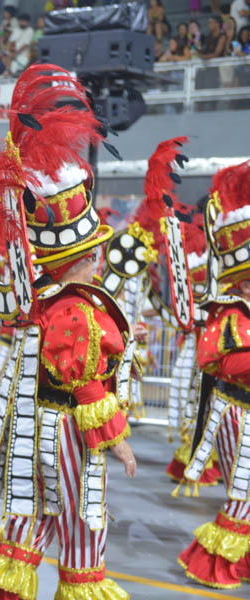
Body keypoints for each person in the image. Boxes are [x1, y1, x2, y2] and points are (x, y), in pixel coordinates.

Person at [0, 64, 136, 600]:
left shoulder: (51, 301)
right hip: (65, 435)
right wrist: (118, 441)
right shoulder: (76, 309)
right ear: (87, 253)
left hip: (35, 431)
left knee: (26, 532)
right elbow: (83, 379)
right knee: (84, 534)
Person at [178, 160, 250, 590]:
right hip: (236, 416)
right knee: (242, 498)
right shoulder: (227, 313)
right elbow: (217, 360)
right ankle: (215, 564)